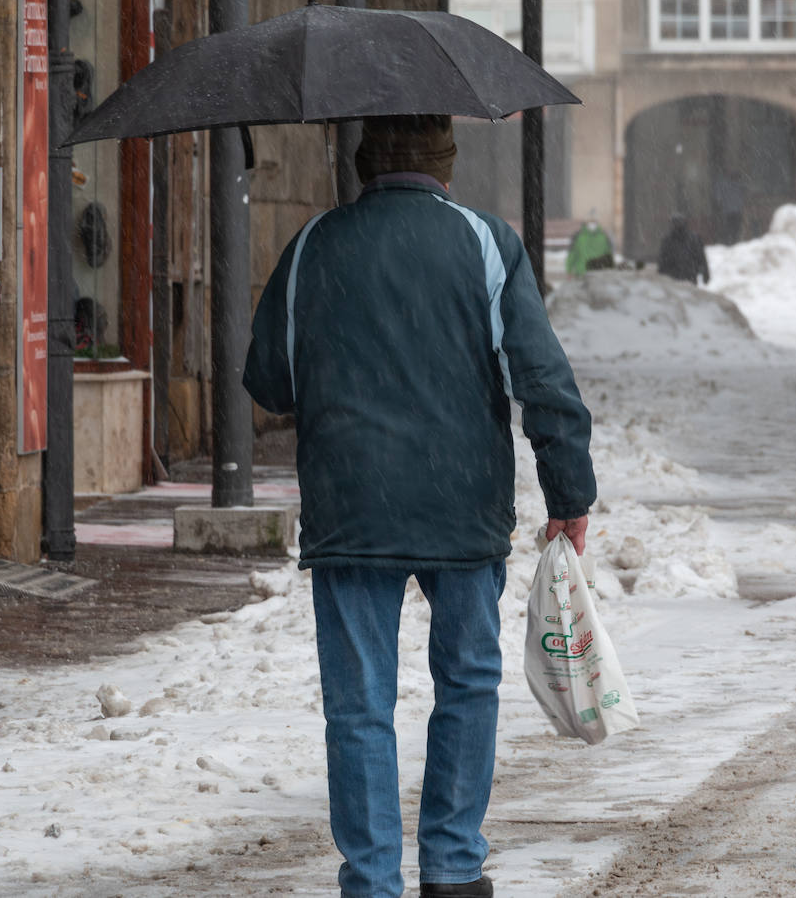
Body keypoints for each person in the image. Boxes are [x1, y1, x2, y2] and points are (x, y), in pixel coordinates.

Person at [243, 114, 596, 898]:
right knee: (467, 681)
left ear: (365, 164)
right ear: (445, 163)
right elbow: (541, 379)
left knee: (359, 703)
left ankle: (370, 881)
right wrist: (569, 490)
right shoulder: (485, 242)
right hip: (459, 503)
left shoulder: (312, 245)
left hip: (349, 506)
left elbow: (268, 379)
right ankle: (452, 867)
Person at [656, 213, 710, 285]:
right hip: (681, 275)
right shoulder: (667, 240)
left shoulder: (693, 239)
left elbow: (701, 257)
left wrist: (705, 273)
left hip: (683, 275)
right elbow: (701, 257)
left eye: (679, 222)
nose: (678, 225)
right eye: (676, 223)